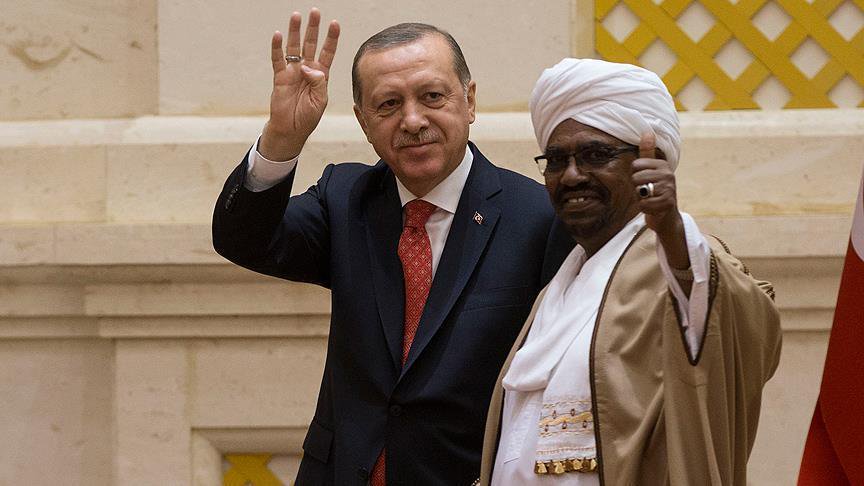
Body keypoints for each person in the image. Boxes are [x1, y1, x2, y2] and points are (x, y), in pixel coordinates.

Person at [212, 9, 570, 485]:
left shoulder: (539, 218)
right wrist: (283, 137)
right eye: (388, 104)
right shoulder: (344, 199)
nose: (413, 120)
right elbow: (244, 239)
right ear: (364, 122)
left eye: (432, 96)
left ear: (469, 101)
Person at [477, 58, 782, 485]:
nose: (571, 176)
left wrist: (672, 230)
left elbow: (740, 325)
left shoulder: (682, 266)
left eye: (596, 155)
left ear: (649, 163)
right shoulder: (557, 290)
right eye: (557, 160)